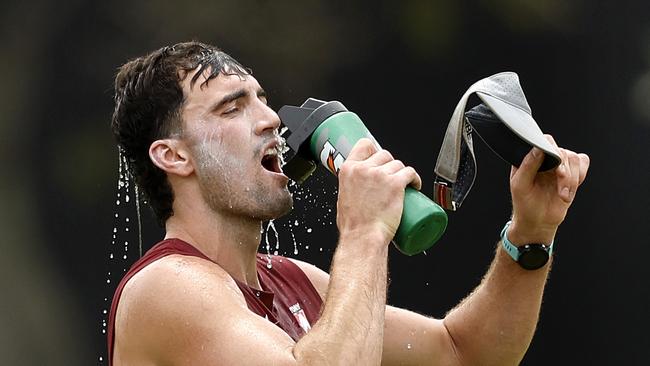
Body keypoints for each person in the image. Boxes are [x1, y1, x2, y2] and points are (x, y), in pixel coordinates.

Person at [107, 40, 590, 366]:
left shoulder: (295, 282)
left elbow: (463, 352)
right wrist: (364, 232)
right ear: (173, 155)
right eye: (232, 107)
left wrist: (531, 233)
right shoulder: (167, 286)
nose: (271, 119)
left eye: (262, 100)